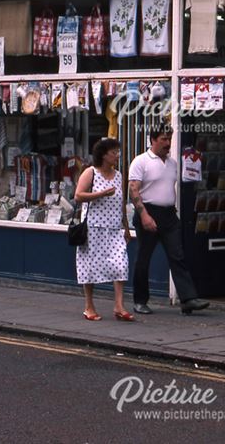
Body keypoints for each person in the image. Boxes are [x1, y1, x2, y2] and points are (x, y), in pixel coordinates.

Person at [128, 126, 209, 315]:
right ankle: (140, 301)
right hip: (148, 212)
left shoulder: (173, 163)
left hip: (169, 215)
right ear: (153, 140)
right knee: (143, 259)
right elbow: (133, 190)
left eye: (169, 139)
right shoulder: (141, 161)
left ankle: (188, 299)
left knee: (177, 256)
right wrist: (144, 215)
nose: (168, 143)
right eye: (164, 139)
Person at [74, 137, 133, 322]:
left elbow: (121, 202)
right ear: (103, 155)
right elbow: (78, 196)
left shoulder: (118, 175)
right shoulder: (90, 173)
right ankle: (89, 306)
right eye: (114, 152)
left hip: (114, 228)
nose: (117, 155)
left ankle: (119, 306)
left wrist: (126, 227)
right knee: (89, 268)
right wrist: (101, 193)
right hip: (93, 228)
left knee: (121, 265)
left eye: (117, 152)